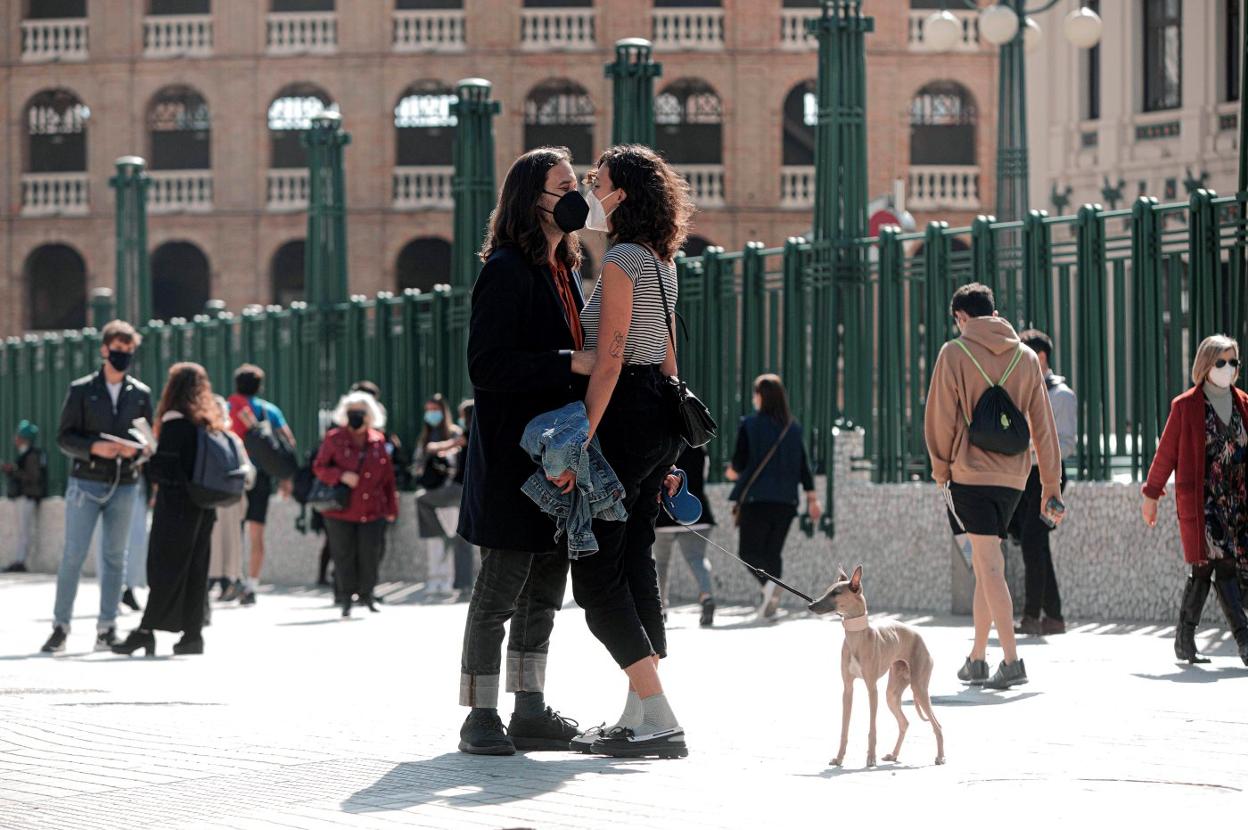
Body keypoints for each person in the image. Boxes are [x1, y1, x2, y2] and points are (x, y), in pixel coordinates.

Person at [456, 146, 595, 756]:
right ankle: (479, 715)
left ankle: (530, 708)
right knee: (500, 590)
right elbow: (485, 364)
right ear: (531, 199)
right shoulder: (507, 269)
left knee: (546, 588)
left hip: (559, 461)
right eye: (563, 185)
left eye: (576, 183)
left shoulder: (563, 268)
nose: (575, 194)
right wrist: (568, 362)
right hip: (516, 460)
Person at [561, 144, 697, 759]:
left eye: (600, 182)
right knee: (635, 558)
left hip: (621, 414)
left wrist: (583, 433)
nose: (592, 189)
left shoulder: (619, 258)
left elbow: (611, 355)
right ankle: (639, 709)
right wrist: (668, 453)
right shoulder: (662, 261)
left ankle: (661, 716)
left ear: (624, 195)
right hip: (658, 411)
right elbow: (668, 356)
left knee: (594, 574)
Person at [924, 283, 1064, 690]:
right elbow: (1044, 425)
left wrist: (939, 470)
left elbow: (940, 418)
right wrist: (1050, 482)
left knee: (989, 566)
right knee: (989, 565)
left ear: (962, 317)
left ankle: (1011, 660)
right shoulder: (1024, 356)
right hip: (1015, 479)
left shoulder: (954, 352)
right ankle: (977, 658)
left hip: (969, 476)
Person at [42, 320, 153, 654]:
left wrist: (136, 450)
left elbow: (148, 439)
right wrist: (93, 447)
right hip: (86, 482)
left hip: (125, 482)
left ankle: (107, 628)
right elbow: (64, 436)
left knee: (115, 558)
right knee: (73, 555)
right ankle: (61, 626)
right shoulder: (81, 389)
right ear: (105, 350)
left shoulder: (140, 393)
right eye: (118, 350)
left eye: (129, 351)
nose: (123, 356)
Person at [1142, 334, 1248, 666]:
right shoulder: (1185, 406)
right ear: (1205, 365)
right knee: (1224, 568)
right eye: (1221, 362)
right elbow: (1166, 454)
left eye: (1233, 362)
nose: (1228, 368)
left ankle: (1183, 640)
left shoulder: (1244, 402)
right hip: (1204, 502)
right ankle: (1245, 641)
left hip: (1237, 502)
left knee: (1203, 571)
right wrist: (1151, 494)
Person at [113, 363, 227, 657]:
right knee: (195, 570)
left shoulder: (175, 420)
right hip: (204, 506)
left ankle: (145, 631)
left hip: (176, 506)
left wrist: (148, 458)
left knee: (165, 568)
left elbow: (167, 471)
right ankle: (192, 635)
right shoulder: (207, 420)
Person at [725, 374, 822, 621]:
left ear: (761, 396)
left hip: (757, 500)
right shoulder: (793, 428)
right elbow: (803, 466)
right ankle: (771, 599)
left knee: (747, 551)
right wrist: (812, 498)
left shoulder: (749, 424)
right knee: (772, 553)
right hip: (787, 502)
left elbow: (738, 463)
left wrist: (732, 472)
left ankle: (769, 587)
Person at [1009, 330, 1076, 637]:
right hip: (1024, 475)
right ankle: (1054, 616)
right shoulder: (1022, 389)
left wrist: (1035, 447)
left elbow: (1067, 444)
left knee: (1035, 543)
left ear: (1041, 357)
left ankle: (1032, 615)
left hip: (1047, 476)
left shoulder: (1061, 395)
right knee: (1035, 544)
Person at [313, 391, 398, 618]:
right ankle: (345, 598)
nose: (356, 416)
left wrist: (391, 509)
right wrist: (340, 475)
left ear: (370, 415)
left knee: (371, 554)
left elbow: (388, 478)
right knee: (343, 555)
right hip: (341, 510)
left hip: (373, 509)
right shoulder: (333, 438)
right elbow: (319, 467)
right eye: (352, 412)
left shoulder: (378, 440)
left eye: (361, 412)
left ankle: (368, 595)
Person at [228, 364, 295, 607]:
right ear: (259, 386)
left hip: (234, 475)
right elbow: (287, 442)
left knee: (233, 530)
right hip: (262, 477)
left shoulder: (229, 408)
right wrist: (286, 477)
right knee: (257, 532)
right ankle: (252, 585)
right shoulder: (269, 411)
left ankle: (233, 578)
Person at [653, 443, 716, 626]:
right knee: (697, 559)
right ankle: (707, 596)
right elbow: (704, 476)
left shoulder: (663, 445)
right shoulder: (700, 448)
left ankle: (661, 607)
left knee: (661, 563)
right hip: (695, 512)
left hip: (665, 514)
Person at [415, 394, 467, 595]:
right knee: (434, 541)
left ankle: (449, 579)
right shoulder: (424, 436)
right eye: (428, 410)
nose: (431, 414)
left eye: (434, 410)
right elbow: (418, 462)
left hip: (449, 492)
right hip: (432, 491)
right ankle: (434, 578)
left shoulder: (454, 433)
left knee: (451, 536)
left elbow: (456, 461)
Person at [209, 396, 253, 604]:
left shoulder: (232, 440)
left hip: (230, 500)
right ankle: (212, 582)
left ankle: (233, 581)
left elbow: (248, 470)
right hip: (208, 500)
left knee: (231, 544)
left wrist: (240, 475)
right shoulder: (202, 438)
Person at [3, 420, 47, 573]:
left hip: (28, 497)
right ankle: (20, 559)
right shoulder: (26, 455)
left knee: (24, 530)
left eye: (19, 436)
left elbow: (31, 476)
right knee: (23, 530)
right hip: (24, 497)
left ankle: (21, 561)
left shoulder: (32, 455)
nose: (16, 439)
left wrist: (12, 471)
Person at [119, 470, 151, 612]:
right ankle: (113, 594)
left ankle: (129, 589)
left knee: (137, 542)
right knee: (115, 545)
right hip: (112, 482)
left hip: (138, 482)